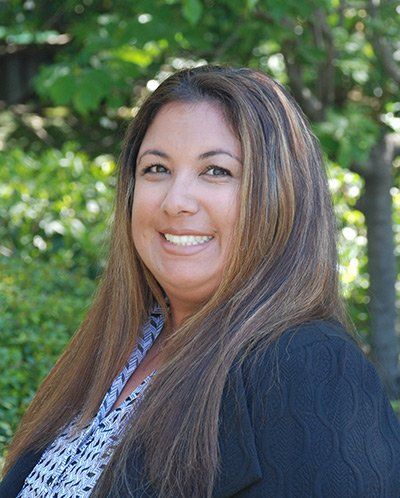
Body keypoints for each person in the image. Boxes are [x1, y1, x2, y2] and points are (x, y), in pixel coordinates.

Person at [1, 65, 400, 498]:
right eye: (156, 169)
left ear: (280, 196)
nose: (175, 202)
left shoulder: (310, 368)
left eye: (216, 171)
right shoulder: (115, 349)